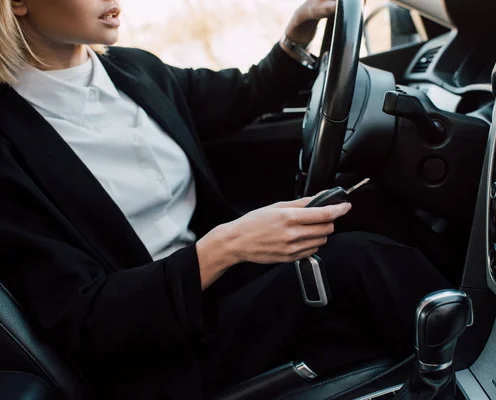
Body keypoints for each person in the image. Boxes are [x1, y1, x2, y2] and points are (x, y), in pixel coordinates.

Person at [0, 0, 452, 398]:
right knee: (357, 262)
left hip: (221, 284)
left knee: (371, 208)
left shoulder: (134, 69)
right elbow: (83, 317)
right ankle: (473, 362)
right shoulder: (9, 145)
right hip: (163, 342)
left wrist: (296, 35)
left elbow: (242, 96)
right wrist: (226, 246)